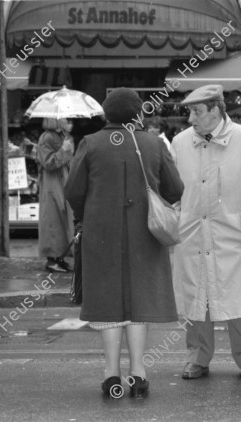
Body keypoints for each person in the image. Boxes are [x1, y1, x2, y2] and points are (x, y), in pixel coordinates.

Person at [65, 88, 184, 399]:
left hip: (100, 233)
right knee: (140, 301)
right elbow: (175, 188)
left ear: (106, 114)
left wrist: (85, 215)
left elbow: (73, 190)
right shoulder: (153, 143)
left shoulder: (90, 143)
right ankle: (139, 372)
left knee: (107, 302)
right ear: (137, 113)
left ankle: (111, 374)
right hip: (145, 232)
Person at [170, 84, 241, 381]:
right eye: (189, 111)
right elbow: (172, 191)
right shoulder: (180, 142)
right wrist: (176, 221)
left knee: (240, 303)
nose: (191, 118)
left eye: (197, 111)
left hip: (233, 236)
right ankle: (197, 357)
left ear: (216, 109)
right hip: (192, 234)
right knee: (196, 304)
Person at [36, 117, 75, 273]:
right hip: (53, 184)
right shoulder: (46, 137)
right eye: (66, 119)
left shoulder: (60, 135)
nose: (68, 122)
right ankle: (52, 260)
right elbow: (48, 163)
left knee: (62, 220)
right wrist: (65, 150)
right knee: (53, 221)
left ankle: (59, 257)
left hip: (61, 182)